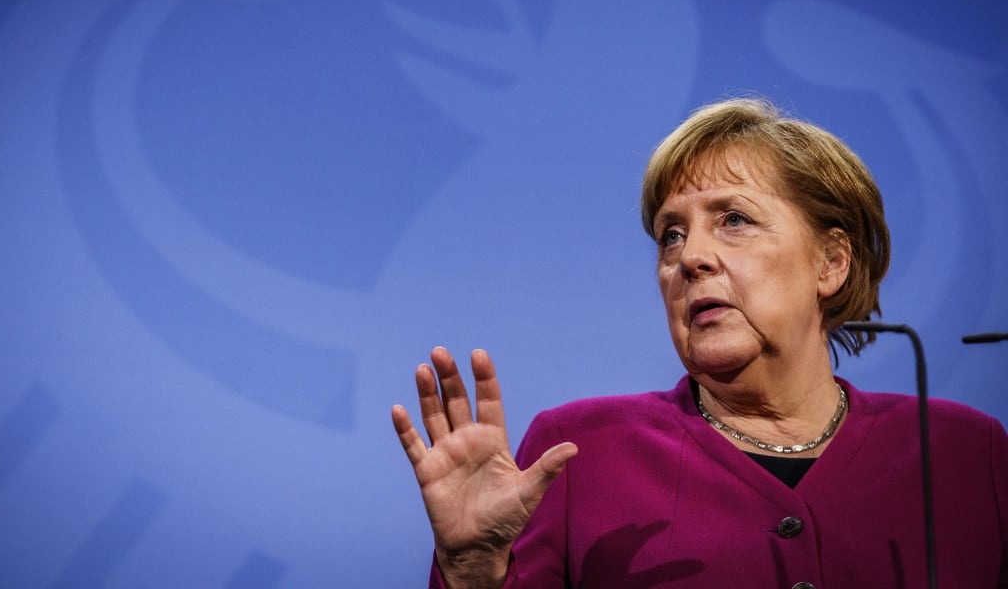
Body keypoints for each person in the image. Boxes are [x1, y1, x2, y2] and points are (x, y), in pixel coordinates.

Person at [391, 98, 1008, 588]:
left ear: (831, 263)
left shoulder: (968, 452)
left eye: (733, 220)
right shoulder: (580, 454)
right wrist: (472, 571)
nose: (691, 258)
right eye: (670, 236)